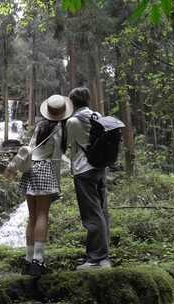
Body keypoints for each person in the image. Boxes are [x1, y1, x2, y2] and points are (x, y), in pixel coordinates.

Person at [9, 95, 72, 276]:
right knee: (43, 214)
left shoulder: (40, 126)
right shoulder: (59, 128)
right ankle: (38, 261)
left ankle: (28, 260)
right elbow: (56, 158)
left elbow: (30, 148)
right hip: (45, 168)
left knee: (32, 216)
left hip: (30, 169)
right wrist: (56, 183)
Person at [65, 87, 111, 269]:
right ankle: (104, 257)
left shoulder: (73, 121)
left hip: (83, 170)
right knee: (102, 211)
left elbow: (68, 144)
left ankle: (95, 259)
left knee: (91, 214)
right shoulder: (97, 116)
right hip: (100, 168)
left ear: (73, 102)